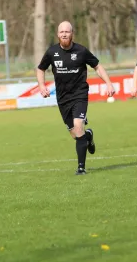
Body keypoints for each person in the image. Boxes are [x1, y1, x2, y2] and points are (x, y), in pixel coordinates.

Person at [37, 21, 115, 175]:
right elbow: (41, 69)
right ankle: (88, 136)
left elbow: (97, 66)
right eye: (61, 32)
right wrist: (41, 85)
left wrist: (108, 83)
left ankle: (81, 168)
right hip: (62, 98)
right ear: (58, 34)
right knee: (75, 133)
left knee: (78, 125)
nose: (64, 34)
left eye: (67, 31)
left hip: (80, 94)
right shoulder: (52, 52)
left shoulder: (81, 51)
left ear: (72, 33)